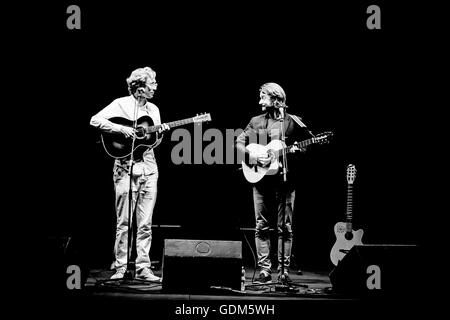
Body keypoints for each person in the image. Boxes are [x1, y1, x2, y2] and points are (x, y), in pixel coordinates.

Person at [90, 66, 169, 281]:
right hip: (125, 167)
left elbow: (151, 142)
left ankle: (144, 268)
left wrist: (160, 134)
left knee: (145, 222)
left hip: (149, 168)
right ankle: (120, 266)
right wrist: (121, 129)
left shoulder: (154, 109)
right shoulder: (120, 104)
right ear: (140, 88)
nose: (156, 86)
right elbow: (95, 120)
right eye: (152, 83)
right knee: (123, 222)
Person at [236, 82, 313, 283]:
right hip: (261, 180)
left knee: (285, 228)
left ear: (276, 99)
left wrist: (298, 151)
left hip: (286, 181)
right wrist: (253, 158)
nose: (259, 100)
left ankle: (284, 271)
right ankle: (264, 270)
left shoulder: (294, 122)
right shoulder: (256, 121)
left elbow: (307, 146)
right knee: (261, 225)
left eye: (263, 96)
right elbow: (238, 143)